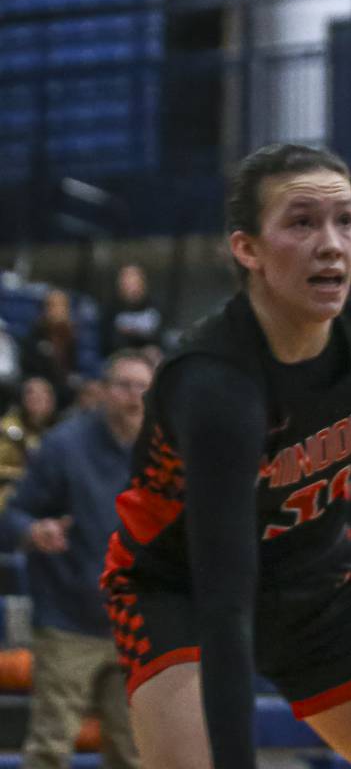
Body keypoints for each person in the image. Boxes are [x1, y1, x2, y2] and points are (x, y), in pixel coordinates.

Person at [100, 143, 351, 769]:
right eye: (302, 222)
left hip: (312, 578)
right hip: (179, 589)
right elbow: (225, 608)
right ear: (247, 249)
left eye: (345, 220)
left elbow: (347, 398)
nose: (332, 243)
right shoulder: (218, 388)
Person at [0, 350, 153, 769]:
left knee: (132, 752)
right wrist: (34, 531)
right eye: (124, 385)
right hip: (67, 620)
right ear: (102, 391)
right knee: (50, 747)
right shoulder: (64, 445)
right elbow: (13, 514)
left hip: (136, 624)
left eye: (144, 387)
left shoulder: (166, 452)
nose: (134, 396)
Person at [0, 376, 57, 509]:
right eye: (31, 393)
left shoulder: (61, 431)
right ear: (22, 399)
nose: (38, 398)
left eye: (45, 394)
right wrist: (20, 475)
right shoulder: (7, 429)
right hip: (11, 492)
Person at [21, 289, 77, 408]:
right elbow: (28, 366)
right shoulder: (35, 334)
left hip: (63, 387)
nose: (57, 310)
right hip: (40, 382)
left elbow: (73, 367)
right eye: (52, 306)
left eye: (61, 306)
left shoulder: (71, 335)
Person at [103, 265, 165, 356]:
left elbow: (160, 337)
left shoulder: (155, 307)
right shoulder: (111, 310)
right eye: (126, 284)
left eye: (135, 283)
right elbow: (109, 342)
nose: (131, 289)